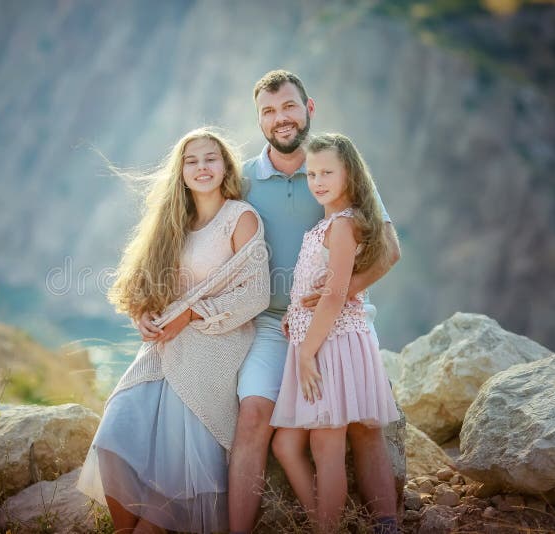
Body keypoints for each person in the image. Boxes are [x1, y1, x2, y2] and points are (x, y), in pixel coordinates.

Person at [136, 70, 401, 533]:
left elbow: (389, 251)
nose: (281, 119)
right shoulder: (246, 182)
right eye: (269, 111)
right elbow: (196, 239)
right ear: (258, 119)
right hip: (266, 323)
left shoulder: (337, 171)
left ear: (309, 108)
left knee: (361, 422)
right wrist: (152, 300)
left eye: (289, 107)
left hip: (337, 317)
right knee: (254, 414)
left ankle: (386, 521)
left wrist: (337, 296)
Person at [76, 127, 270, 533]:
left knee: (173, 462)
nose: (202, 167)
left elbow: (255, 295)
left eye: (211, 159)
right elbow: (144, 288)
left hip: (218, 343)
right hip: (167, 343)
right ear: (181, 171)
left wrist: (191, 314)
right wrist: (143, 315)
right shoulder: (172, 222)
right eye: (192, 160)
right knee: (115, 430)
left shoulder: (240, 218)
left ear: (225, 166)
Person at [270, 132, 400, 532]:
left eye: (327, 172)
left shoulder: (343, 226)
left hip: (330, 346)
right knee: (286, 444)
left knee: (328, 448)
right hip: (317, 339)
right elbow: (318, 290)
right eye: (311, 174)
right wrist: (293, 315)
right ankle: (330, 519)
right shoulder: (326, 224)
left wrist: (307, 353)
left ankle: (361, 525)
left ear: (351, 174)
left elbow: (335, 294)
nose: (318, 181)